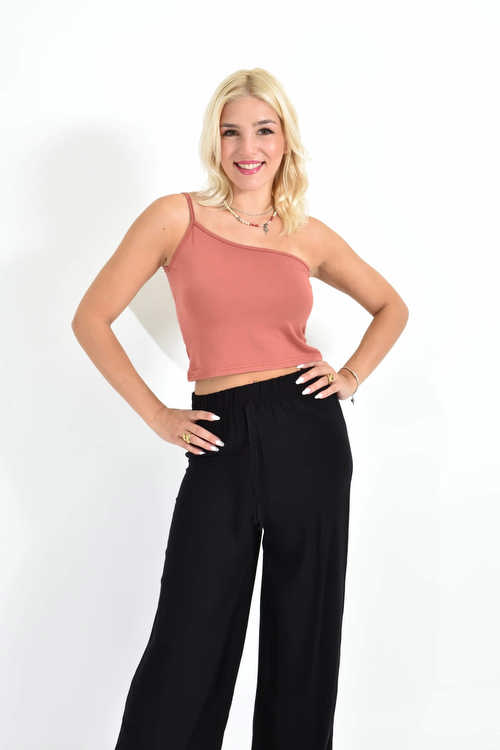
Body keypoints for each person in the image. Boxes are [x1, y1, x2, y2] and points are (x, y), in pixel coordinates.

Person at [71, 67, 408, 750]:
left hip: (308, 431)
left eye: (263, 130)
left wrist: (350, 375)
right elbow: (91, 319)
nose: (246, 147)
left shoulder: (305, 234)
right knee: (188, 640)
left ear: (285, 141)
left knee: (303, 641)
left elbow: (390, 306)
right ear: (214, 141)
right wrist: (160, 416)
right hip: (218, 437)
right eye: (231, 132)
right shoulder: (175, 217)